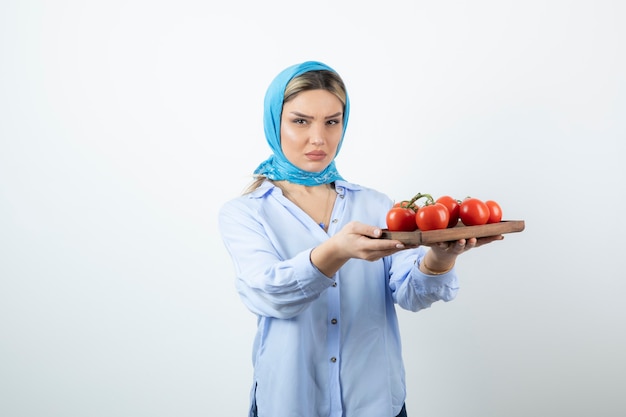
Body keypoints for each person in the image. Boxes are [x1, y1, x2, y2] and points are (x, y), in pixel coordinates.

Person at [218, 61, 503, 417]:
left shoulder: (375, 204)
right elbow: (268, 294)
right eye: (300, 121)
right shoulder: (245, 213)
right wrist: (336, 250)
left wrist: (440, 258)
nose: (319, 138)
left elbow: (411, 293)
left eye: (332, 121)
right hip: (291, 403)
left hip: (375, 402)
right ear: (274, 122)